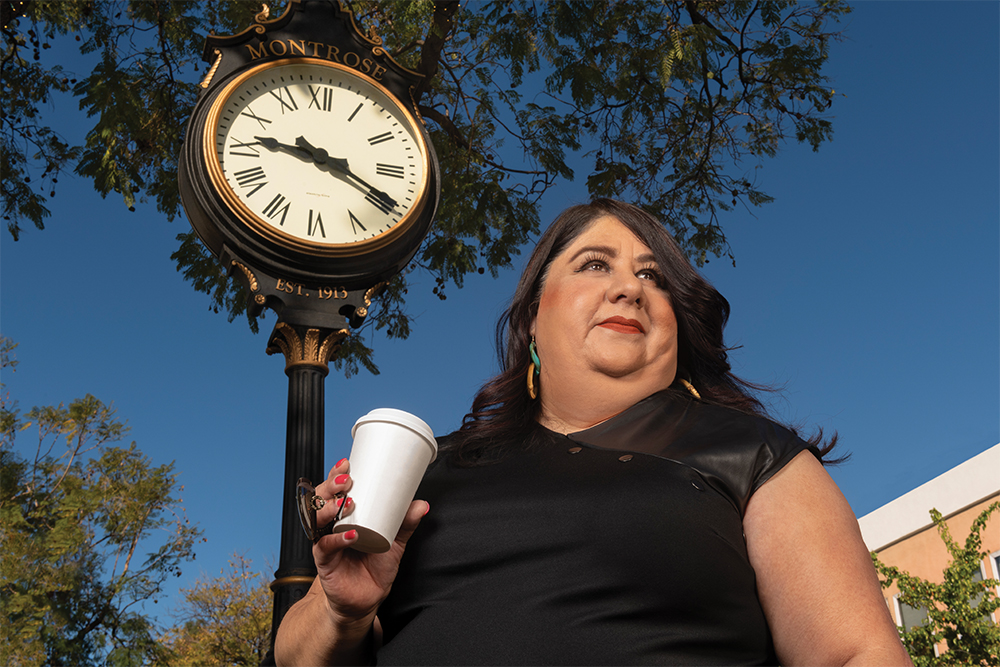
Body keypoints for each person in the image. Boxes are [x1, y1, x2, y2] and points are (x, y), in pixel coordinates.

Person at [275, 199, 912, 666]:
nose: (629, 289)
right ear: (532, 318)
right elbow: (294, 657)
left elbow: (856, 654)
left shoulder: (753, 455)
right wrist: (344, 610)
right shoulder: (429, 469)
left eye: (653, 276)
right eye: (594, 265)